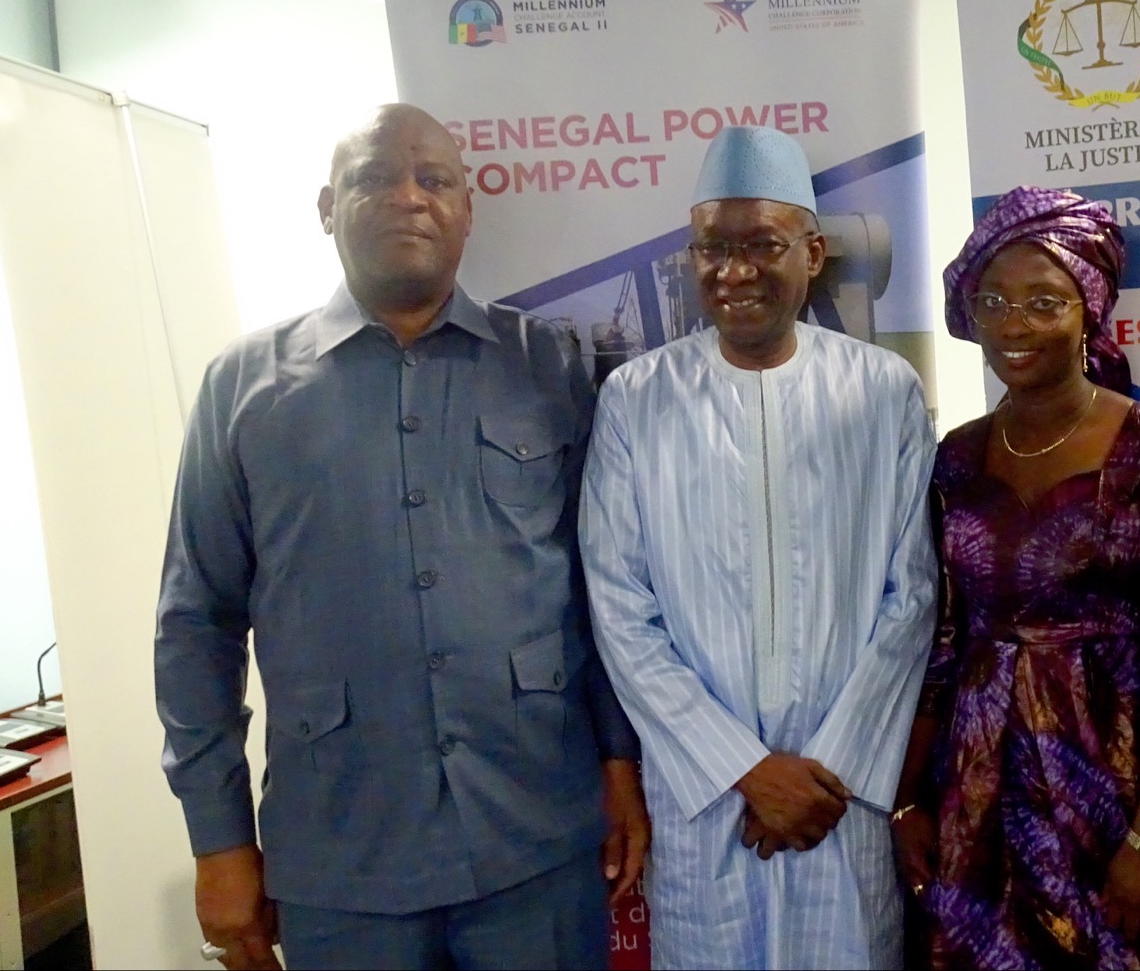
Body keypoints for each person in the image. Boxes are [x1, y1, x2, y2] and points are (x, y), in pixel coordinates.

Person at [155, 104, 648, 971]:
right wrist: (218, 837)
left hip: (536, 838)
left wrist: (618, 760)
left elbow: (600, 585)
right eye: (375, 178)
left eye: (435, 180)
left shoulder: (548, 365)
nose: (409, 198)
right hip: (342, 859)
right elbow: (197, 622)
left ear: (467, 209)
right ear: (326, 207)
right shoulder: (242, 386)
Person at [579, 125, 939, 969]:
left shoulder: (882, 391)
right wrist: (743, 768)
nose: (733, 271)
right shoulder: (636, 399)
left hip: (839, 797)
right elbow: (619, 607)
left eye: (762, 245)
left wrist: (827, 771)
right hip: (704, 797)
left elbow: (914, 595)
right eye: (713, 248)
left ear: (812, 253)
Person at [892, 187, 1140, 971]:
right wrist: (908, 797)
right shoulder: (955, 456)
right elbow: (940, 641)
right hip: (977, 800)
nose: (1013, 325)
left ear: (1090, 310)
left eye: (1043, 301)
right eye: (992, 301)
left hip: (1118, 793)